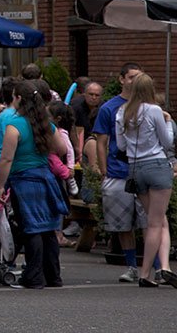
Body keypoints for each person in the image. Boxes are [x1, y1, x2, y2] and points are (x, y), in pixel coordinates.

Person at [0, 80, 68, 289]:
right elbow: (61, 149)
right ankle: (53, 276)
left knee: (31, 228)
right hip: (46, 179)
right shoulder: (47, 124)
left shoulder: (14, 126)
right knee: (48, 229)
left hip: (23, 181)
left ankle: (34, 276)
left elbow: (6, 160)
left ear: (17, 99)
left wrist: (1, 186)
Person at [113, 73, 175, 288]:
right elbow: (167, 142)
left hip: (135, 167)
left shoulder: (122, 112)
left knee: (157, 219)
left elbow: (120, 146)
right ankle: (147, 272)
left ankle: (164, 267)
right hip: (157, 165)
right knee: (155, 222)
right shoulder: (155, 110)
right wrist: (167, 123)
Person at [87, 61, 146, 282]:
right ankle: (131, 265)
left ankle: (156, 267)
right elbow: (101, 141)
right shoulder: (109, 108)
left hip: (142, 171)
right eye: (131, 77)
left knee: (149, 222)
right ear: (121, 79)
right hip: (117, 171)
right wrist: (104, 170)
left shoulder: (147, 106)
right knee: (122, 223)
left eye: (138, 77)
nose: (134, 81)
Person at [71, 80, 103, 160]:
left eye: (97, 95)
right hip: (78, 143)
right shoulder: (75, 107)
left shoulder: (104, 109)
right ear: (85, 94)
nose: (94, 98)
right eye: (91, 94)